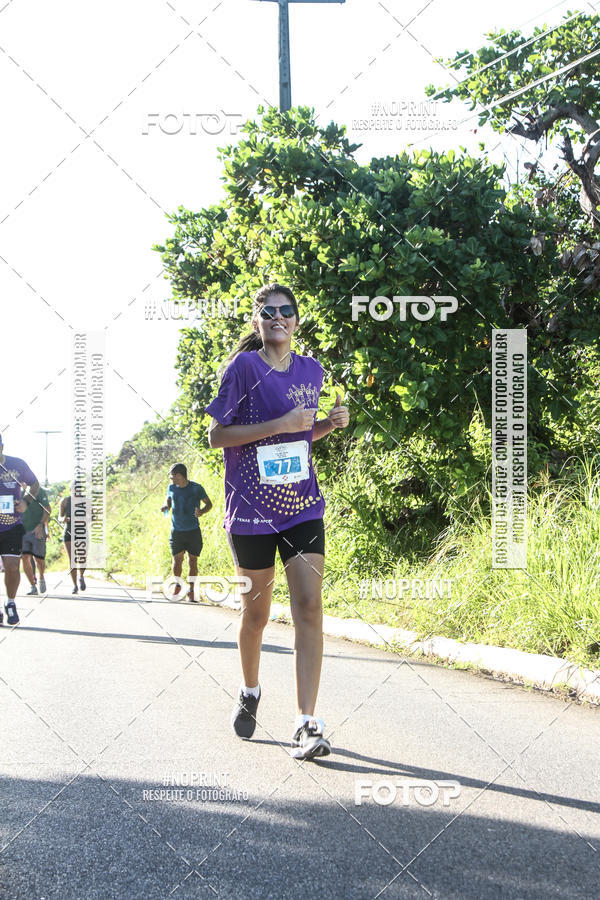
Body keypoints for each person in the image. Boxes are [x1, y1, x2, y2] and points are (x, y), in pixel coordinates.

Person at [206, 283, 349, 760]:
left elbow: (300, 437)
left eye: (286, 311)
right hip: (250, 510)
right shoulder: (243, 368)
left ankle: (307, 723)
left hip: (301, 505)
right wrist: (279, 425)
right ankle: (250, 690)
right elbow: (217, 436)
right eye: (268, 311)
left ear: (296, 320)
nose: (278, 317)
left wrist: (329, 423)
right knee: (257, 614)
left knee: (308, 606)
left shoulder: (312, 370)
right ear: (257, 321)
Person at [0, 433, 40, 625]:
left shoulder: (17, 464)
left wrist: (25, 501)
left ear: (2, 447)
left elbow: (35, 483)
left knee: (12, 567)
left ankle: (10, 603)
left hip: (11, 526)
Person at [160, 464, 212, 602]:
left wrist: (201, 511)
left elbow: (209, 504)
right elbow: (169, 500)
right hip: (176, 531)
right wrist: (166, 506)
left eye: (173, 476)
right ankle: (177, 586)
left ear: (180, 475)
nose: (171, 479)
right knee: (177, 561)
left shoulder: (196, 488)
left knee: (192, 561)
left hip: (193, 531)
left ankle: (192, 590)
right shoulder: (171, 488)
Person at [21, 483, 51, 595]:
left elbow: (47, 509)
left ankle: (41, 577)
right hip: (22, 531)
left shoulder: (39, 491)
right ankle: (32, 586)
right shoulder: (17, 491)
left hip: (37, 530)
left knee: (38, 559)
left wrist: (40, 525)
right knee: (24, 558)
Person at [59, 495, 86, 594]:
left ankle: (81, 576)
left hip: (82, 532)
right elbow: (60, 517)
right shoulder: (65, 501)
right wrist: (64, 519)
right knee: (72, 559)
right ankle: (74, 585)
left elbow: (92, 517)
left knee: (82, 558)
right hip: (69, 533)